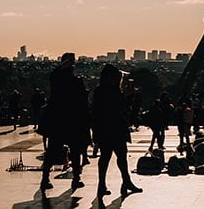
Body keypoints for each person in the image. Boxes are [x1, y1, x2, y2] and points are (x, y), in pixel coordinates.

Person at [39, 53, 91, 193]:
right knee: (74, 150)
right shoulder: (71, 80)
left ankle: (46, 178)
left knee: (55, 150)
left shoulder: (60, 79)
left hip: (60, 119)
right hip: (70, 120)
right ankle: (75, 178)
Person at [91, 64, 141, 201]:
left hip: (107, 129)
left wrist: (127, 97)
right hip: (114, 128)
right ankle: (125, 182)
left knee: (107, 158)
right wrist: (128, 97)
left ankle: (103, 185)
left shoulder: (100, 91)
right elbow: (118, 107)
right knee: (119, 157)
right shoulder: (110, 91)